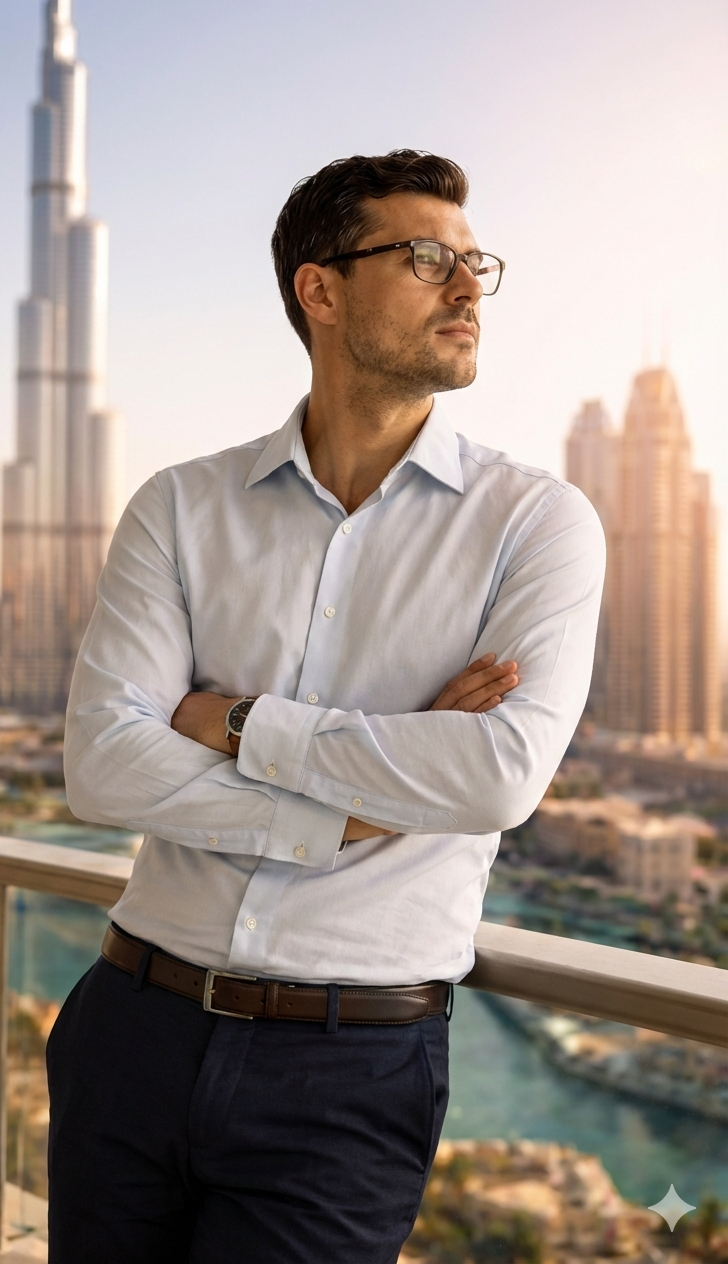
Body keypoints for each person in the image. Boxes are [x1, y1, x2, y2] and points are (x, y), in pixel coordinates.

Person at [49, 150, 604, 1263]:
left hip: (348, 1075)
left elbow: (495, 778)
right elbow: (104, 765)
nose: (467, 290)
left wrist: (239, 722)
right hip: (131, 1026)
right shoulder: (181, 506)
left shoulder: (534, 523)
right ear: (321, 288)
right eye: (426, 259)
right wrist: (351, 810)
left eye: (473, 263)